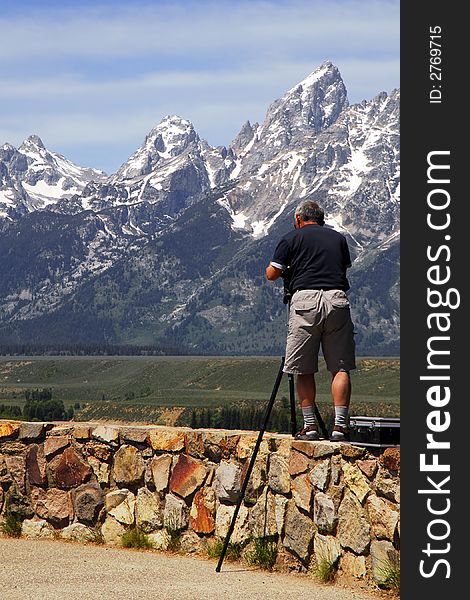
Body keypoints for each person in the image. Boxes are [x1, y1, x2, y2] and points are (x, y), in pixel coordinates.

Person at [265, 200, 356, 441]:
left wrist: (290, 268)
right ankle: (340, 426)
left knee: (303, 367)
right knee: (340, 366)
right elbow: (344, 266)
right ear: (321, 218)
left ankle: (310, 426)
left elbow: (271, 274)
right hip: (337, 299)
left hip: (305, 300)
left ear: (298, 219)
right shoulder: (338, 238)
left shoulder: (291, 239)